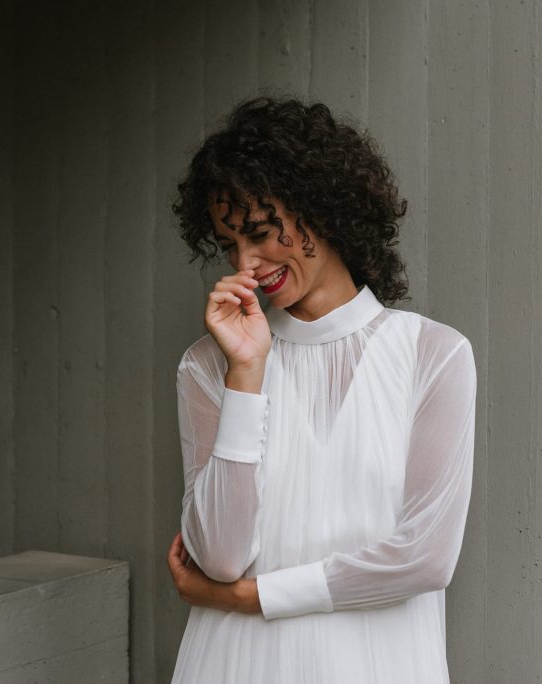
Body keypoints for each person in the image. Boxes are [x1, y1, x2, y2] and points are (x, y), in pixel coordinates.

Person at [165, 96, 476, 683]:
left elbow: (425, 558)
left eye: (260, 232)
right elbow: (220, 555)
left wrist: (248, 598)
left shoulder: (432, 356)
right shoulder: (209, 366)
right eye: (230, 245)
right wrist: (247, 374)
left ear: (325, 206)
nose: (248, 263)